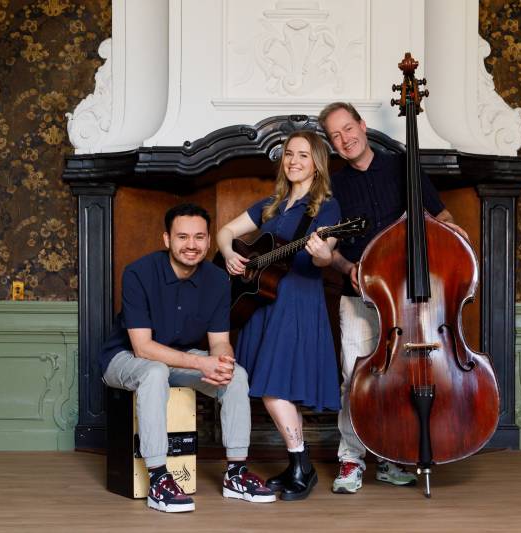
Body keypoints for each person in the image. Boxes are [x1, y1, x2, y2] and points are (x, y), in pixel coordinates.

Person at [318, 102, 469, 494]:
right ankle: (351, 460)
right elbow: (331, 252)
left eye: (348, 128)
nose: (345, 139)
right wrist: (345, 268)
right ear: (331, 144)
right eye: (335, 135)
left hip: (412, 300)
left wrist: (453, 232)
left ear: (362, 125)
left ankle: (390, 456)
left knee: (401, 378)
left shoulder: (403, 167)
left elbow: (441, 217)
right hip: (360, 296)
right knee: (356, 379)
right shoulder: (333, 186)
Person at [99, 203, 276, 513]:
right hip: (124, 357)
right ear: (167, 239)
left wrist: (222, 362)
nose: (191, 245)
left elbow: (219, 343)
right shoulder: (138, 273)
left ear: (208, 241)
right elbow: (142, 348)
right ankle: (158, 479)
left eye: (199, 237)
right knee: (154, 371)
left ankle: (236, 473)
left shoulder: (218, 280)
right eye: (182, 237)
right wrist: (201, 363)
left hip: (179, 358)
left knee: (236, 375)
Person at [217, 130, 341, 501]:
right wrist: (230, 254)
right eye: (289, 154)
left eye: (303, 155)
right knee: (276, 386)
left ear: (317, 164)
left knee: (274, 389)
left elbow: (325, 257)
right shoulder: (271, 204)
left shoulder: (327, 208)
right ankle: (298, 467)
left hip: (297, 304)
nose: (294, 161)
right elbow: (226, 231)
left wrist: (322, 254)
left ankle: (302, 465)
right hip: (263, 302)